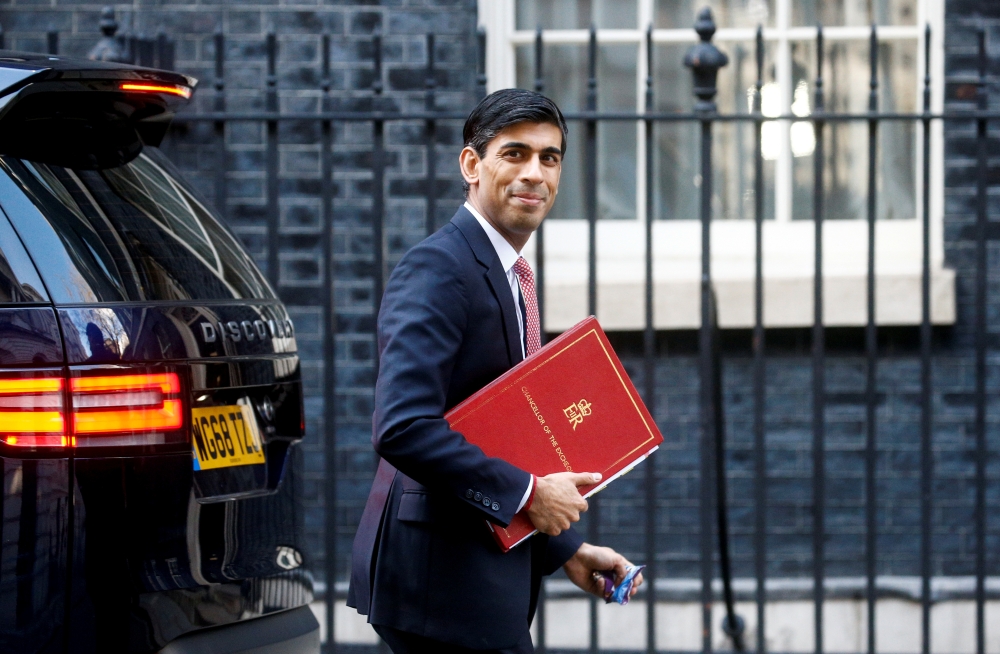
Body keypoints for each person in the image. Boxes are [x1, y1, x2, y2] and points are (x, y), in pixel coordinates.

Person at [347, 88, 642, 654]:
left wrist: (567, 551)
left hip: (477, 577)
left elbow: (506, 431)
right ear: (472, 164)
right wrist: (530, 494)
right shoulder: (439, 267)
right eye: (515, 153)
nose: (535, 173)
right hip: (440, 584)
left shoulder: (507, 270)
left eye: (549, 158)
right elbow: (403, 427)